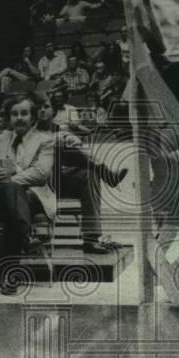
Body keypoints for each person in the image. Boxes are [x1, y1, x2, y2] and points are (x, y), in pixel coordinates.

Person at [0, 93, 56, 293]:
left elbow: (41, 173)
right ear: (9, 118)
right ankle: (26, 234)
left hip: (34, 196)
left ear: (33, 116)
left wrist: (13, 177)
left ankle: (8, 271)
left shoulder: (45, 141)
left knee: (14, 193)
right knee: (11, 192)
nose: (19, 118)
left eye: (24, 113)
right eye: (14, 114)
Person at [36, 96, 126, 253]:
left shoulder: (60, 130)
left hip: (58, 180)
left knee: (89, 175)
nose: (42, 110)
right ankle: (106, 173)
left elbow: (78, 146)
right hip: (39, 184)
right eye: (38, 107)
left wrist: (70, 141)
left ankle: (90, 239)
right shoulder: (27, 130)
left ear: (54, 111)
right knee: (58, 145)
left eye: (46, 106)